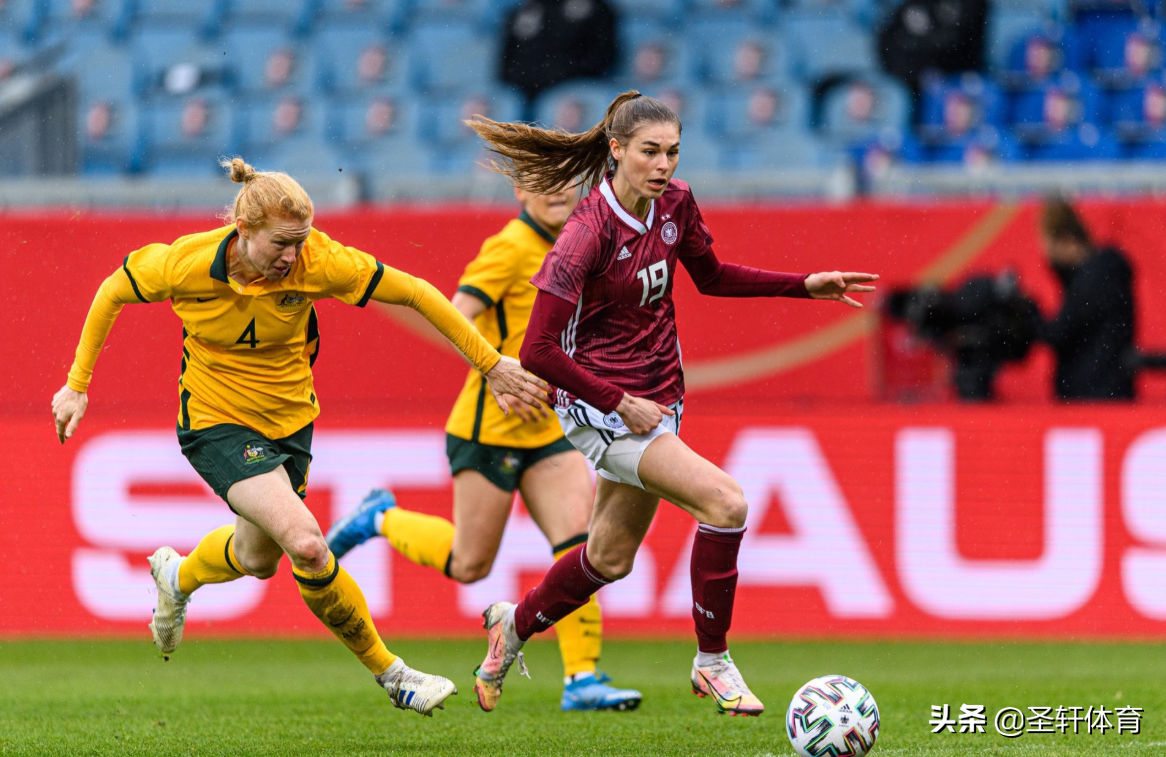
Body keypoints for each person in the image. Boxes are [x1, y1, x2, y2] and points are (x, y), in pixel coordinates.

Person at [50, 158, 546, 717]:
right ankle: (393, 673)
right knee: (307, 544)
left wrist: (489, 363)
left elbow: (416, 293)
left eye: (300, 242)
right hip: (215, 421)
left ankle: (177, 575)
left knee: (257, 558)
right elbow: (111, 291)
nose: (293, 256)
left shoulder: (319, 262)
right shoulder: (184, 263)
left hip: (291, 424)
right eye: (282, 243)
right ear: (243, 229)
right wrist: (76, 385)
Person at [463, 91, 879, 716]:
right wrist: (619, 401)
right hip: (601, 408)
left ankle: (512, 626)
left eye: (673, 152)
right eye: (650, 152)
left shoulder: (675, 203)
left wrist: (804, 286)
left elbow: (710, 276)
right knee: (727, 501)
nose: (663, 165)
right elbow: (539, 350)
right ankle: (712, 662)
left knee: (608, 559)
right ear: (617, 151)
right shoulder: (585, 234)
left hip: (657, 401)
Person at [325, 184, 642, 712]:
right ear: (521, 190)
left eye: (569, 184)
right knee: (470, 564)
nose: (560, 195)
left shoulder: (582, 245)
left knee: (580, 544)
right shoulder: (510, 247)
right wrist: (493, 370)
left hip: (550, 427)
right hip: (489, 429)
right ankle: (379, 517)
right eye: (546, 185)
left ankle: (583, 677)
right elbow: (457, 310)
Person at [1038, 197, 1135, 400]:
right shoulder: (1101, 273)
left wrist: (1029, 316)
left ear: (1066, 240)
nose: (1048, 258)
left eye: (1050, 248)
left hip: (1094, 395)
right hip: (1106, 390)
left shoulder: (1093, 278)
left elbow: (1062, 331)